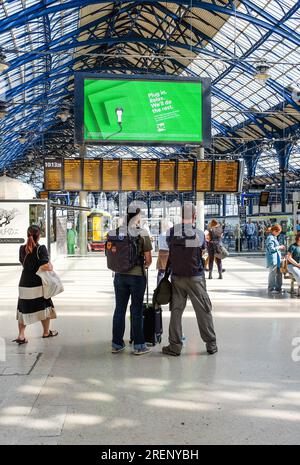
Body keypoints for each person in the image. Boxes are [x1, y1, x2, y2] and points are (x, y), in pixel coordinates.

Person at [162, 203, 218, 356]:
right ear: (194, 216)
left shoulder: (171, 232)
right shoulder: (199, 234)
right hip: (195, 278)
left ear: (181, 215)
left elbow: (171, 248)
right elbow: (202, 250)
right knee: (203, 310)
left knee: (176, 311)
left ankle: (175, 346)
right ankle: (211, 345)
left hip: (177, 278)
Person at [111, 207, 152, 355]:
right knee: (136, 310)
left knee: (119, 309)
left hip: (119, 276)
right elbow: (148, 260)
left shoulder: (116, 232)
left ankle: (117, 344)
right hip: (137, 277)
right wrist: (142, 266)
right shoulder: (142, 233)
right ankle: (140, 345)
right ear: (137, 217)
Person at [14, 225, 58, 345]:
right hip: (37, 283)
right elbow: (47, 266)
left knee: (23, 309)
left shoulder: (22, 249)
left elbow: (24, 264)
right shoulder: (41, 248)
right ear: (39, 236)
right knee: (45, 305)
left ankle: (21, 335)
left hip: (23, 283)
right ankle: (46, 332)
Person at [265, 224, 285, 295]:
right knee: (272, 273)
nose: (278, 234)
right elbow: (271, 249)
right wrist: (279, 247)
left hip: (277, 258)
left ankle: (278, 288)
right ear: (274, 231)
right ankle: (271, 288)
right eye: (278, 232)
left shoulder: (274, 237)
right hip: (273, 259)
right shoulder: (270, 238)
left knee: (279, 273)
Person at [156, 219, 172, 284]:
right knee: (171, 272)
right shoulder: (170, 235)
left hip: (161, 254)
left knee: (161, 272)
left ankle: (158, 287)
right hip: (169, 254)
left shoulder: (160, 235)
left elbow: (158, 245)